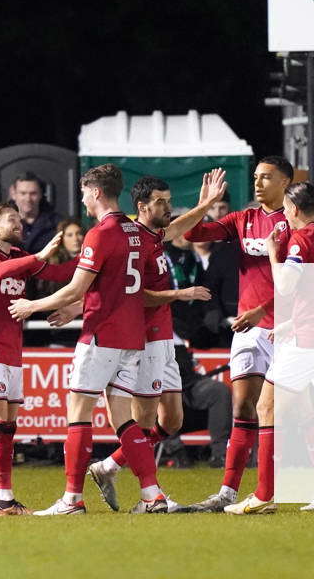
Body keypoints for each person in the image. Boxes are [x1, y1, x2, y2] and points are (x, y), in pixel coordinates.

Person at [9, 165, 224, 515]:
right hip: (130, 339)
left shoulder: (102, 232)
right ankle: (151, 494)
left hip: (102, 334)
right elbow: (115, 287)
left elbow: (80, 286)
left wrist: (32, 305)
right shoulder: (134, 232)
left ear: (95, 192)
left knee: (79, 415)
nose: (81, 198)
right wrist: (80, 304)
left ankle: (72, 500)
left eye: (83, 192)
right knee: (126, 421)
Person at [224, 181, 314, 515]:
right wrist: (287, 325)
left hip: (311, 341)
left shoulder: (302, 240)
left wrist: (275, 254)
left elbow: (286, 287)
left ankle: (263, 495)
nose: (284, 213)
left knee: (266, 407)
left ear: (296, 209)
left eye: (286, 208)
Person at [86, 174, 223, 511]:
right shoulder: (131, 241)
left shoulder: (155, 235)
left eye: (168, 199)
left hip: (165, 339)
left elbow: (180, 226)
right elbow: (134, 295)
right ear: (142, 206)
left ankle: (108, 466)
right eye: (161, 201)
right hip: (142, 339)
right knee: (143, 421)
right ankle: (150, 495)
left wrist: (205, 204)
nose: (168, 207)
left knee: (172, 421)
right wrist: (180, 294)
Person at [180, 156, 294, 513]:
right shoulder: (244, 220)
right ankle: (228, 491)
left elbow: (298, 283)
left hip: (285, 328)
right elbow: (192, 234)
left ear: (285, 183)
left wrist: (263, 309)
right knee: (243, 406)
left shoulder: (295, 223)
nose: (258, 183)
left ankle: (308, 487)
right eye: (256, 177)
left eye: (266, 177)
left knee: (290, 412)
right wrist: (205, 204)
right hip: (249, 330)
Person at [0, 202, 74, 516]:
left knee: (8, 428)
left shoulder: (20, 257)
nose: (18, 224)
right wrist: (37, 256)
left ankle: (6, 498)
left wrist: (94, 256)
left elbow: (59, 273)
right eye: (10, 220)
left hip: (13, 351)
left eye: (18, 220)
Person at [10, 172, 61, 253]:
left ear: (41, 194)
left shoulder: (57, 223)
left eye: (33, 193)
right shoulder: (3, 223)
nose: (28, 199)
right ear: (13, 194)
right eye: (23, 193)